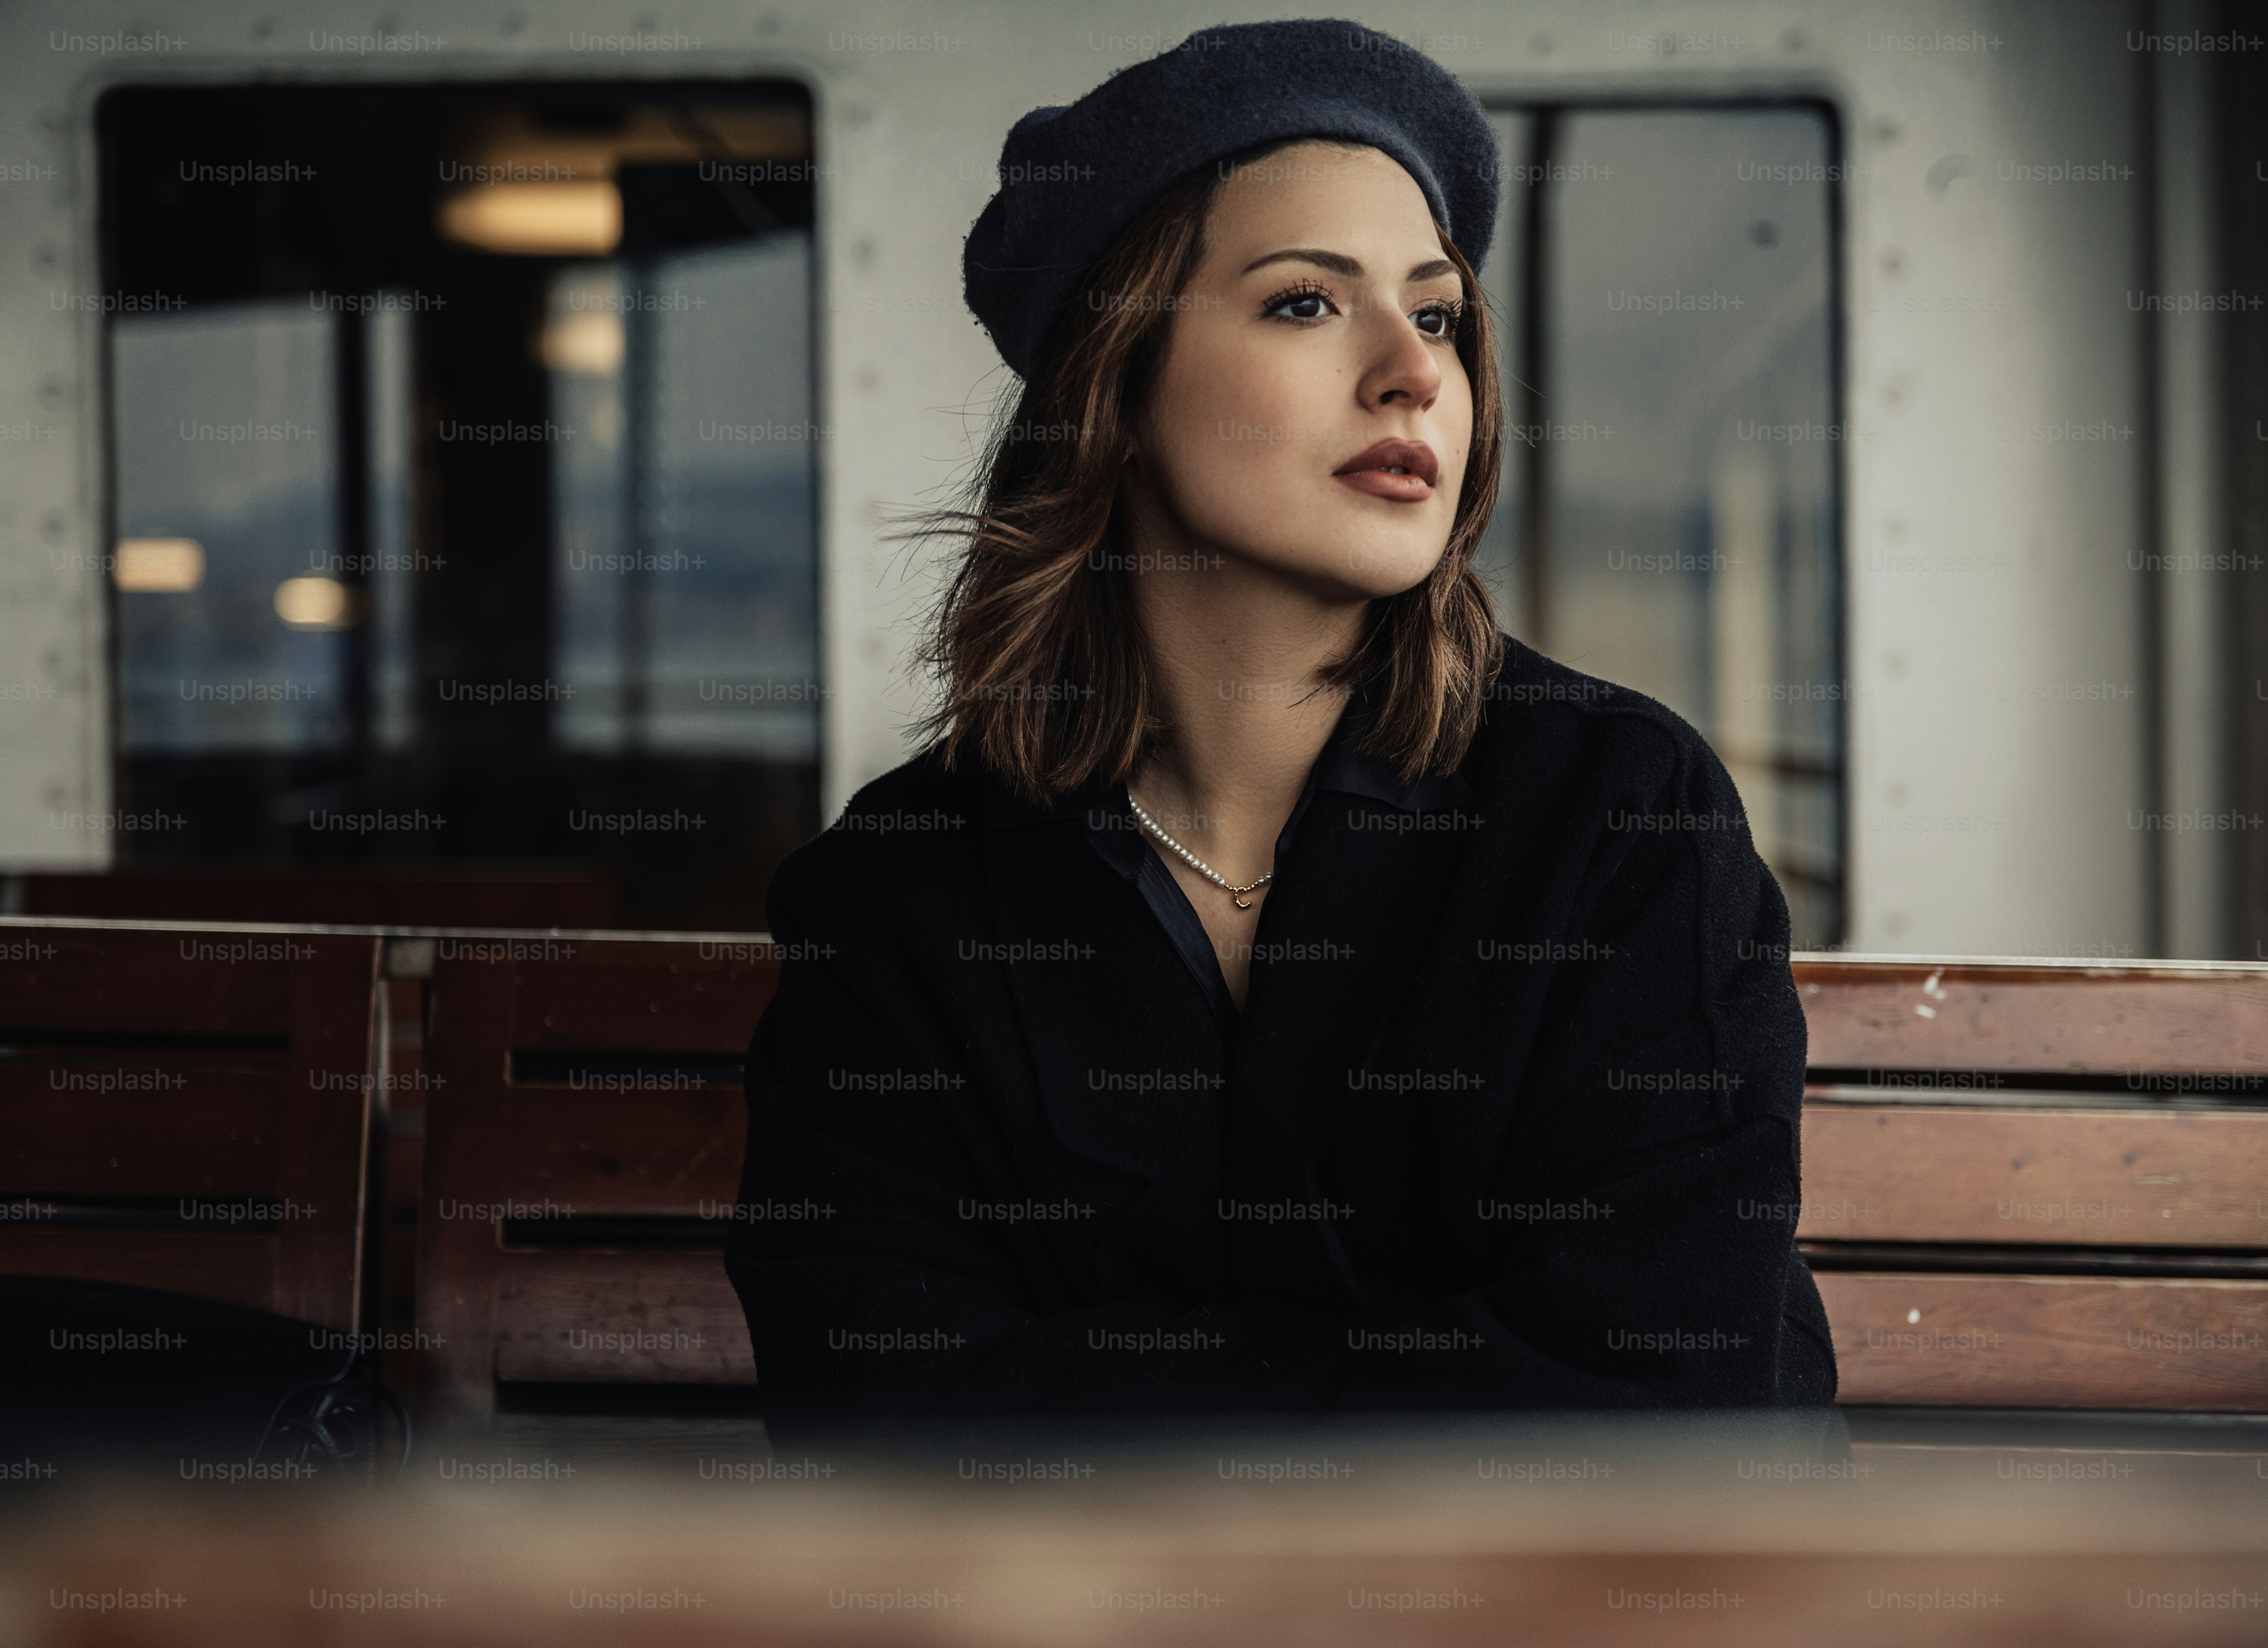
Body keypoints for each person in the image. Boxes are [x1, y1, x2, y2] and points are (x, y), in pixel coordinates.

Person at [724, 19, 1837, 1417]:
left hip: (1590, 1633)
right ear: (1115, 391)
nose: (1415, 372)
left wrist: (1094, 1391)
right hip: (1064, 1641)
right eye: (1306, 302)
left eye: (1436, 314)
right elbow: (874, 1413)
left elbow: (1662, 1390)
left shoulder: (1616, 810)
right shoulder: (902, 887)